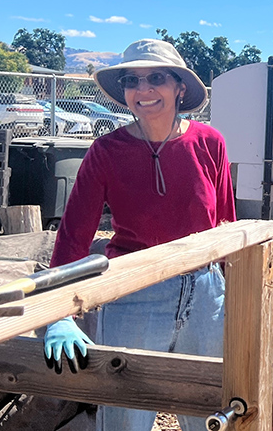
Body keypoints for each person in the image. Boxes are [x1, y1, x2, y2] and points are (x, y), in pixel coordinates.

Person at [43, 38, 236, 431]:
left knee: (208, 412)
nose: (143, 90)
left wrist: (239, 298)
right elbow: (73, 237)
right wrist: (57, 314)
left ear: (180, 87)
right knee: (125, 418)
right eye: (132, 80)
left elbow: (225, 227)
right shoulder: (106, 151)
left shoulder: (209, 143)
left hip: (205, 293)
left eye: (157, 78)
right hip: (133, 292)